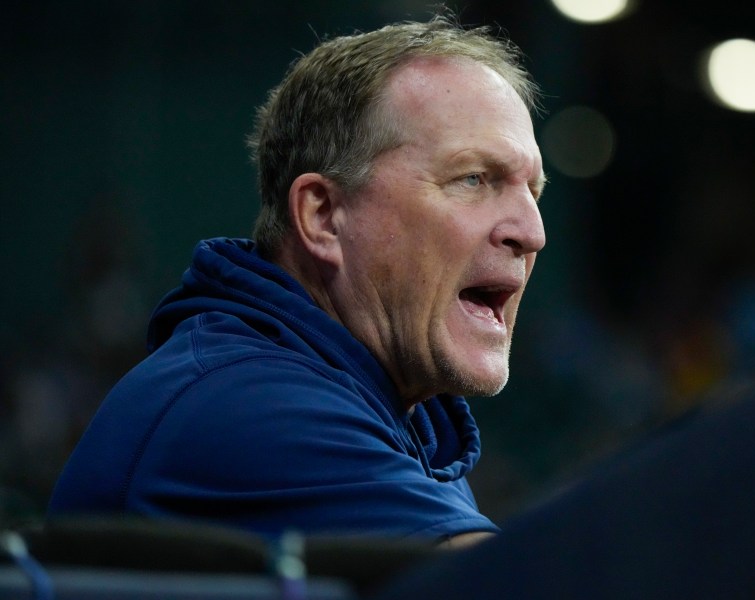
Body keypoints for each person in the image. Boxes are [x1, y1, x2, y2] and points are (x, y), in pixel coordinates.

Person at [48, 15, 546, 549]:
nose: (532, 233)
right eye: (473, 179)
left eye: (533, 192)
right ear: (323, 215)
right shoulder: (251, 408)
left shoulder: (403, 419)